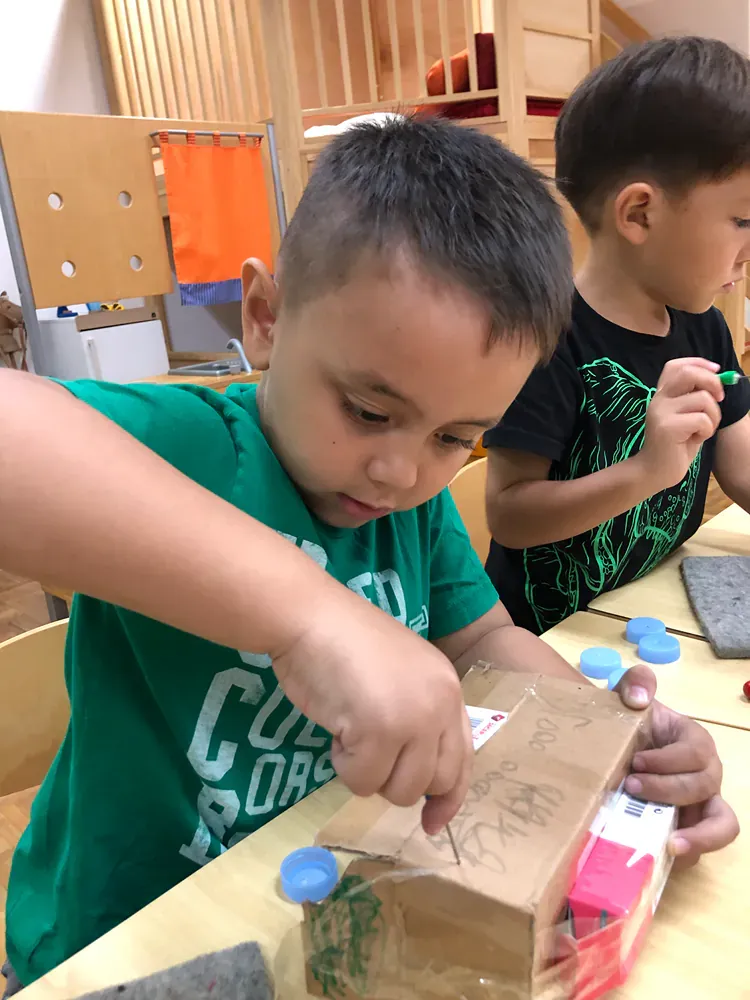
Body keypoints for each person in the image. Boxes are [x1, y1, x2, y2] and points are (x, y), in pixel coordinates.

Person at [0, 117, 735, 992]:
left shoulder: (411, 507)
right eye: (369, 411)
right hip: (131, 932)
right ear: (266, 317)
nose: (399, 471)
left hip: (320, 892)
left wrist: (615, 744)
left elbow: (483, 643)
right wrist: (311, 617)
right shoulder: (198, 449)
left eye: (455, 437)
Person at [485, 37, 750, 636]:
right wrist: (645, 473)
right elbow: (510, 515)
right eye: (741, 220)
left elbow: (741, 462)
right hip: (552, 639)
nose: (749, 248)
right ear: (639, 214)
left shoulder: (702, 324)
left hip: (652, 603)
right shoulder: (548, 341)